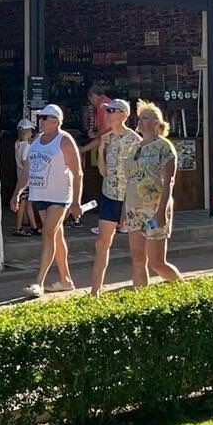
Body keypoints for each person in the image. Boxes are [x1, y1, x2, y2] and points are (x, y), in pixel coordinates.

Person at [11, 104, 83, 297]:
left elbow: (77, 173)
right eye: (40, 117)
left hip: (59, 197)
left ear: (56, 121)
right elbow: (27, 170)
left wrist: (76, 202)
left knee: (47, 234)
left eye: (44, 117)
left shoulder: (64, 140)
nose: (40, 121)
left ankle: (39, 282)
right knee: (56, 236)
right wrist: (17, 192)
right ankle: (66, 280)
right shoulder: (36, 141)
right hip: (40, 195)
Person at [123, 100, 183, 286]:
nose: (140, 121)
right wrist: (123, 210)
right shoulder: (135, 148)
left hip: (154, 208)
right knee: (138, 258)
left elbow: (169, 180)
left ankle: (183, 289)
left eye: (146, 118)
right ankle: (140, 297)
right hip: (134, 209)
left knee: (156, 262)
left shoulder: (164, 146)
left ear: (157, 123)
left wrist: (161, 211)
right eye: (140, 118)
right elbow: (129, 180)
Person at [90, 100, 142, 295]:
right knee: (102, 242)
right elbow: (103, 172)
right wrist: (101, 149)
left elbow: (139, 174)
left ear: (123, 115)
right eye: (107, 111)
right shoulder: (107, 138)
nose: (108, 114)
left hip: (130, 198)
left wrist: (129, 205)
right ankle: (95, 290)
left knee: (136, 248)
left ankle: (139, 288)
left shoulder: (135, 140)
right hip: (110, 195)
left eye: (112, 111)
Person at [10, 119, 39, 237]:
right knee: (23, 202)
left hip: (19, 175)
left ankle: (34, 226)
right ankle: (18, 227)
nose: (32, 133)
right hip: (26, 178)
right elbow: (25, 162)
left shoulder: (17, 143)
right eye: (31, 131)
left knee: (27, 202)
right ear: (27, 132)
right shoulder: (27, 146)